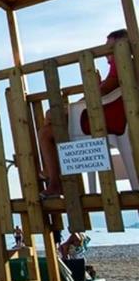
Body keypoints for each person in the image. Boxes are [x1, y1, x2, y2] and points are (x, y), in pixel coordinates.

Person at [38, 29, 129, 198]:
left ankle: (54, 179)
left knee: (47, 127)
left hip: (105, 120)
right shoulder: (126, 63)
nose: (105, 53)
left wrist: (74, 106)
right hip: (107, 115)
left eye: (109, 48)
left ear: (121, 45)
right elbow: (103, 92)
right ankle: (52, 175)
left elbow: (102, 92)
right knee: (49, 127)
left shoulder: (121, 64)